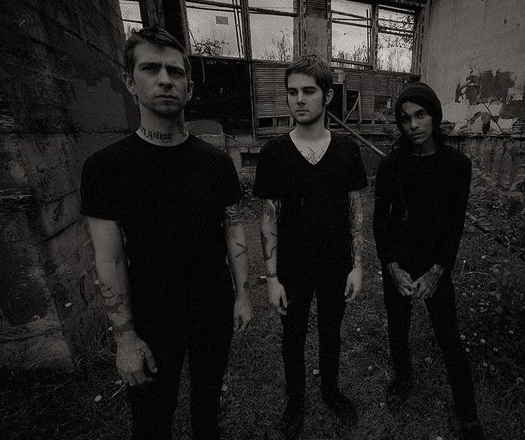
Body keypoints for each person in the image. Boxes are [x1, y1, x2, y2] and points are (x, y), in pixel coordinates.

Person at [80, 26, 252, 440]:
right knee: (152, 418)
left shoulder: (216, 163)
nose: (164, 80)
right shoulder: (106, 168)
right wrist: (125, 337)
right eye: (150, 69)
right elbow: (109, 257)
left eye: (175, 72)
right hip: (152, 315)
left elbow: (233, 228)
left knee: (207, 407)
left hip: (212, 307)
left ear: (189, 87)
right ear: (129, 81)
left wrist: (243, 293)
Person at [253, 54, 368, 439]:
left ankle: (331, 391)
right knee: (293, 337)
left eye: (308, 91)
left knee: (331, 332)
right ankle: (295, 402)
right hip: (292, 266)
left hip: (335, 263)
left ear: (327, 95)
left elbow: (355, 209)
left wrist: (357, 265)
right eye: (292, 92)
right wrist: (271, 277)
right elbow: (269, 216)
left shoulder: (347, 150)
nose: (299, 99)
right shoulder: (274, 153)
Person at [373, 82, 485, 440]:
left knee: (449, 335)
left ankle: (467, 412)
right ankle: (403, 378)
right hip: (399, 262)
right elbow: (380, 222)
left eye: (420, 115)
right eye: (405, 119)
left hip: (436, 262)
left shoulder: (456, 165)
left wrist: (438, 271)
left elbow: (454, 225)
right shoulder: (391, 165)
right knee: (398, 326)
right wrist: (392, 267)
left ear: (434, 116)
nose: (413, 125)